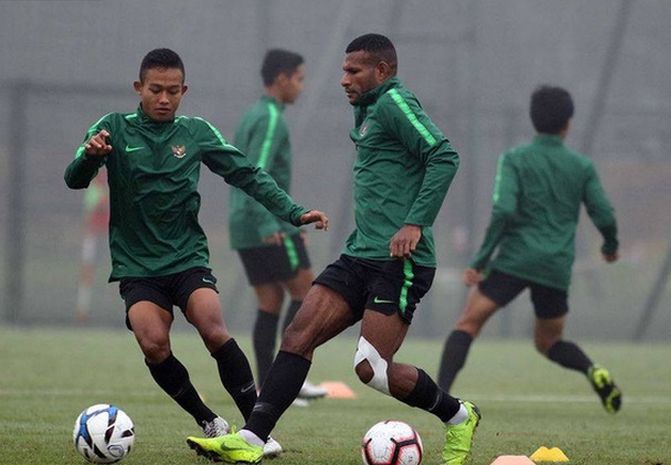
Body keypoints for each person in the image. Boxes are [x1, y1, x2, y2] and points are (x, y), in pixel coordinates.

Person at [187, 33, 481, 465]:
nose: (342, 79)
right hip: (360, 254)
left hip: (401, 261)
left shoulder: (395, 103)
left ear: (381, 71)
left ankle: (458, 416)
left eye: (353, 71)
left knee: (372, 370)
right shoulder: (366, 111)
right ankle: (251, 440)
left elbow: (444, 155)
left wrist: (414, 222)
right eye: (343, 70)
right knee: (299, 333)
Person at [64, 48, 328, 457]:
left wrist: (293, 212)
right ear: (139, 88)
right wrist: (89, 156)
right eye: (155, 90)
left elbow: (248, 174)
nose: (164, 98)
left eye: (173, 91)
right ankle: (208, 419)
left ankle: (256, 431)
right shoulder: (112, 128)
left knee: (213, 326)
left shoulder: (196, 132)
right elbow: (74, 179)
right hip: (137, 266)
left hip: (187, 258)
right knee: (153, 344)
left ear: (184, 90)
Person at [436, 85, 622, 414]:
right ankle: (593, 370)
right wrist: (610, 245)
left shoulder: (515, 159)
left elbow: (504, 211)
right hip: (555, 266)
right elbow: (604, 214)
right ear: (568, 122)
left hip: (514, 260)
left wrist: (480, 260)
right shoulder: (581, 166)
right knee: (549, 342)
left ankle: (439, 397)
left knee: (467, 324)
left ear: (533, 121)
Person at [229, 49, 326, 402]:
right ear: (282, 78)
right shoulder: (270, 118)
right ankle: (289, 379)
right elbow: (258, 171)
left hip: (243, 225)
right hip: (266, 224)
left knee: (270, 301)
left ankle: (268, 385)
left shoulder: (253, 114)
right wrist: (268, 220)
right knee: (308, 292)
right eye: (300, 79)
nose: (302, 86)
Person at [75, 169, 109, 322]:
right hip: (94, 233)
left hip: (113, 233)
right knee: (87, 270)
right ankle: (83, 310)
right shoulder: (94, 183)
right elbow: (91, 209)